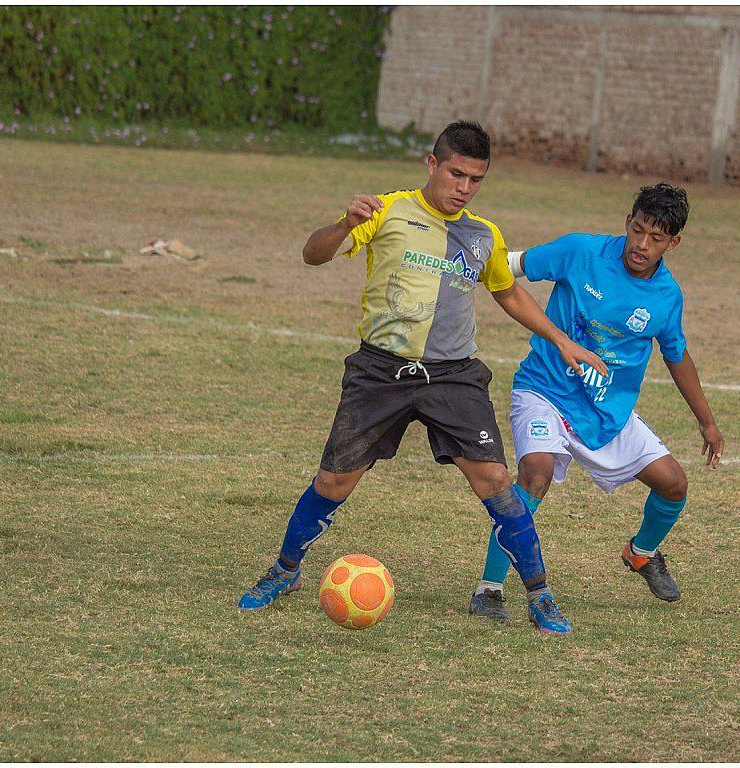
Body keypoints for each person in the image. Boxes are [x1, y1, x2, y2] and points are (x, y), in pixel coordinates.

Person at [236, 121, 607, 634]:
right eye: (456, 174)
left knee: (497, 480)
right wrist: (344, 225)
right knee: (333, 480)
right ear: (431, 165)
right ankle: (285, 570)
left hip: (453, 376)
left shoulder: (483, 235)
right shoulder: (385, 210)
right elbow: (312, 253)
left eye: (476, 179)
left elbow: (507, 292)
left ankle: (539, 595)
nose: (464, 187)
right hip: (379, 371)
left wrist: (562, 340)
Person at [467, 182, 725, 622]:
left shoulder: (666, 297)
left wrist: (707, 422)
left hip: (606, 411)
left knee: (674, 485)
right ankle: (489, 590)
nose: (641, 245)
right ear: (627, 222)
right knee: (536, 473)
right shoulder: (581, 251)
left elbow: (677, 355)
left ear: (673, 242)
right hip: (544, 391)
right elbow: (508, 264)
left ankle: (641, 553)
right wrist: (456, 260)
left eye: (656, 238)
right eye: (638, 230)